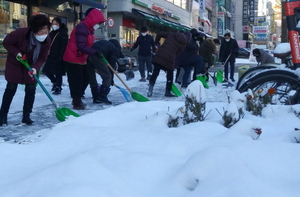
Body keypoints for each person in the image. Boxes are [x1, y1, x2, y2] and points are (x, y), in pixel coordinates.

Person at [0, 14, 51, 126]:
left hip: (31, 66)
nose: (44, 34)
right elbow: (7, 42)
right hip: (15, 65)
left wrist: (35, 67)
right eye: (41, 31)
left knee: (31, 90)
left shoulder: (46, 41)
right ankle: (2, 116)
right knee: (11, 89)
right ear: (34, 29)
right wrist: (17, 53)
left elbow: (42, 57)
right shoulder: (21, 33)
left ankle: (26, 116)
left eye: (46, 31)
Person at [63, 8, 106, 110]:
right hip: (73, 57)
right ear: (93, 19)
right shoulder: (82, 27)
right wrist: (94, 52)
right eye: (98, 22)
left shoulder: (90, 30)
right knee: (76, 81)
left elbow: (87, 45)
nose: (98, 25)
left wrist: (92, 52)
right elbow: (81, 46)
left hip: (81, 58)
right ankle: (76, 101)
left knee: (86, 78)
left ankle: (77, 97)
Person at [147, 32, 188, 97]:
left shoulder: (172, 34)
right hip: (170, 58)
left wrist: (156, 42)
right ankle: (167, 91)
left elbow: (160, 33)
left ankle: (150, 88)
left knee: (155, 72)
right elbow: (178, 54)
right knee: (170, 75)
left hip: (160, 54)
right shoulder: (183, 44)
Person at [87, 39, 124, 104]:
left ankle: (96, 97)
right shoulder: (115, 49)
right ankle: (102, 96)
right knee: (107, 76)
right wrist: (111, 79)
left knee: (91, 77)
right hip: (98, 55)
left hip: (88, 54)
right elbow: (111, 65)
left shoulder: (106, 44)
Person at [42, 17, 68, 95]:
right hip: (51, 55)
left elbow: (64, 45)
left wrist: (61, 55)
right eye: (53, 24)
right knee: (46, 71)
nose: (54, 25)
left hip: (58, 56)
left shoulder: (62, 33)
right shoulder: (51, 33)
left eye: (56, 24)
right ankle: (55, 82)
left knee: (58, 73)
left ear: (59, 24)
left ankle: (58, 87)